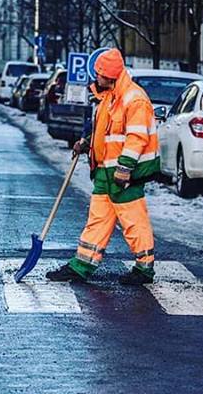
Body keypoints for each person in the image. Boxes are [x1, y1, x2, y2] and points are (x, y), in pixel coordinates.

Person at [47, 48, 159, 285]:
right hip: (105, 172)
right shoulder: (108, 98)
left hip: (124, 173)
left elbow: (136, 137)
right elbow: (105, 133)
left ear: (110, 75)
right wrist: (86, 143)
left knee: (133, 220)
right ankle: (82, 265)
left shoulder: (134, 99)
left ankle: (144, 268)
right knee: (97, 219)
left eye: (99, 74)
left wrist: (125, 168)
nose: (95, 78)